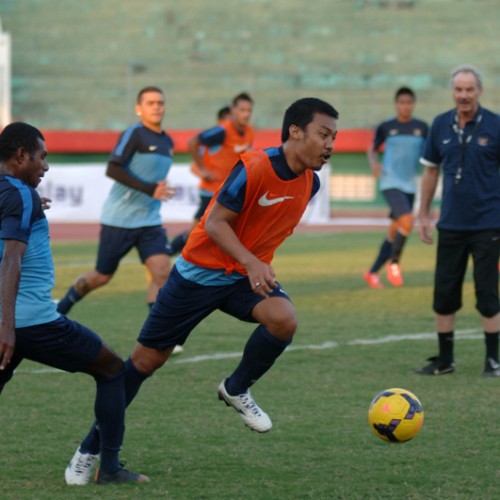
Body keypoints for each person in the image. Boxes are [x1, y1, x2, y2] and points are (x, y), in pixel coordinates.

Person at [65, 97, 339, 483]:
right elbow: (214, 224)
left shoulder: (311, 184)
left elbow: (265, 229)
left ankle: (235, 387)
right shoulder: (254, 167)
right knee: (143, 364)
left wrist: (255, 262)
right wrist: (251, 261)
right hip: (198, 275)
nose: (330, 145)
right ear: (295, 132)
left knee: (283, 320)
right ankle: (92, 451)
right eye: (323, 135)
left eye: (334, 137)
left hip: (241, 277)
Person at [0, 122, 148, 485]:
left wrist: (33, 204)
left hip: (10, 321)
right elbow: (11, 261)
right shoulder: (20, 196)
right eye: (42, 157)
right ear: (21, 156)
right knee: (113, 369)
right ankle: (109, 469)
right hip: (30, 322)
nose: (46, 166)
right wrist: (7, 327)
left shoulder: (16, 195)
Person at [57, 86, 175, 316]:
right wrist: (151, 188)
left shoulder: (168, 142)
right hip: (120, 219)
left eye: (160, 102)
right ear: (138, 109)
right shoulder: (135, 133)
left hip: (149, 220)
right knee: (102, 275)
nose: (157, 107)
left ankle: (155, 335)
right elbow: (113, 168)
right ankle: (60, 309)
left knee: (162, 273)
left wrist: (157, 189)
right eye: (150, 103)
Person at [414, 64, 500, 377]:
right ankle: (445, 361)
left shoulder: (495, 125)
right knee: (444, 293)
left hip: (488, 224)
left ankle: (493, 361)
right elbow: (430, 171)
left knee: (488, 293)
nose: (463, 95)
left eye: (469, 89)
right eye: (459, 89)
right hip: (450, 224)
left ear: (479, 91)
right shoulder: (439, 125)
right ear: (453, 92)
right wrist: (423, 213)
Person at [168, 94, 254, 255]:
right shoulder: (221, 131)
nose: (246, 114)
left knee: (230, 232)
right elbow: (193, 142)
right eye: (242, 110)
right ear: (233, 111)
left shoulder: (249, 132)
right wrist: (203, 169)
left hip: (229, 190)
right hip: (211, 191)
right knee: (197, 234)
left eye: (249, 110)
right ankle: (168, 253)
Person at [364, 87, 428, 288]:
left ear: (413, 104)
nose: (405, 106)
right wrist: (374, 163)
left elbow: (429, 154)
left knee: (395, 231)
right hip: (390, 182)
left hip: (410, 184)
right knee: (407, 221)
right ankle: (395, 263)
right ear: (396, 104)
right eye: (402, 102)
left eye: (409, 102)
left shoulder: (422, 128)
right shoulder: (386, 127)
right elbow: (372, 149)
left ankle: (372, 272)